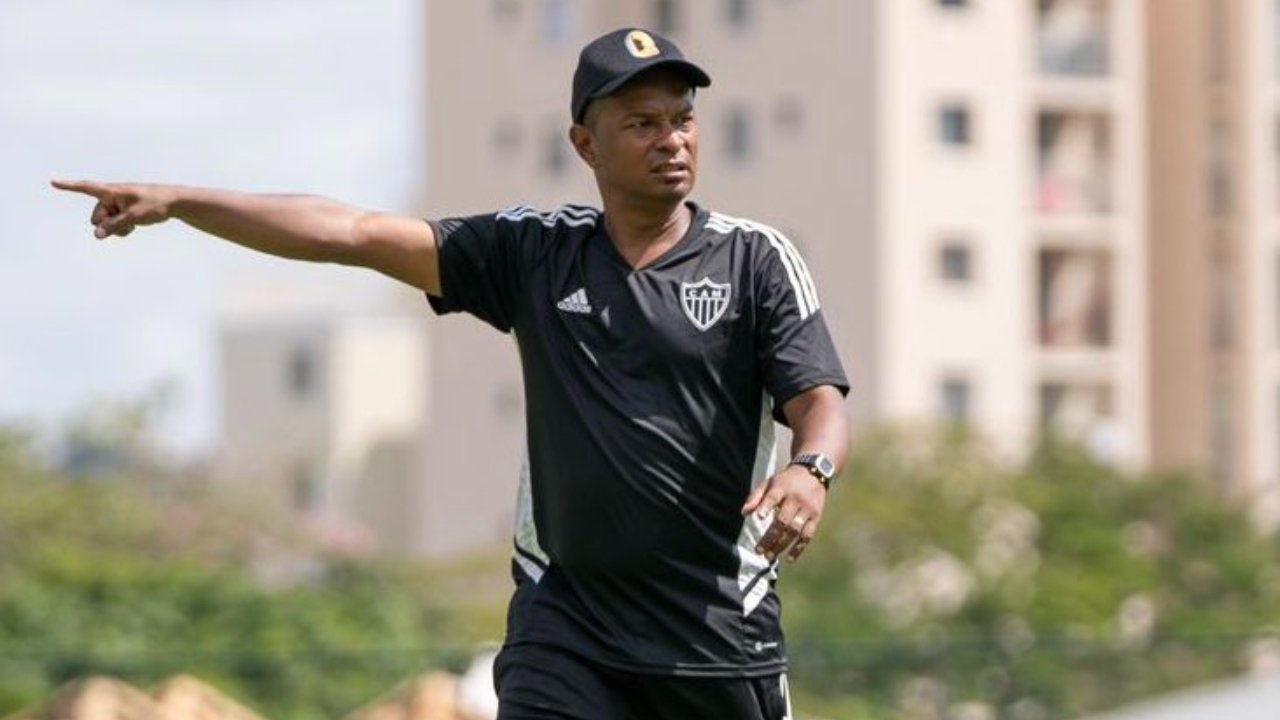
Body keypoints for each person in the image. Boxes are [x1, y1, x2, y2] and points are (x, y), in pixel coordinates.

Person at [54, 27, 849, 720]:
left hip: (715, 635)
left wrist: (811, 471)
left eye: (681, 120)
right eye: (642, 123)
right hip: (567, 626)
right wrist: (181, 199)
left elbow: (817, 399)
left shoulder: (756, 260)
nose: (671, 139)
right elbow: (352, 233)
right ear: (584, 144)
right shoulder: (533, 253)